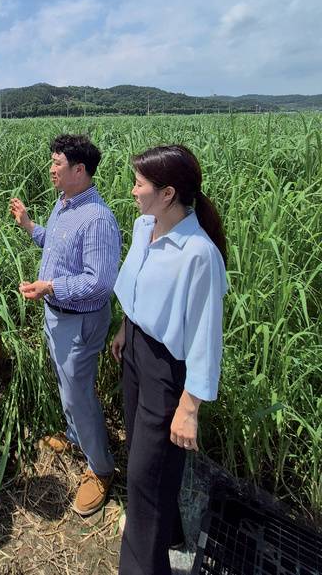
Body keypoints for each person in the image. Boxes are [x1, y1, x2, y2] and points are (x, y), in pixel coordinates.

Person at [111, 145, 227, 575]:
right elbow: (137, 283)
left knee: (144, 477)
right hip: (136, 349)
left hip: (166, 369)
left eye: (139, 184)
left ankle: (142, 565)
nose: (132, 190)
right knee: (147, 461)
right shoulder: (145, 225)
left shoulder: (198, 254)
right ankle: (169, 531)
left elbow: (204, 336)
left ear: (167, 193)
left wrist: (189, 406)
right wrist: (125, 327)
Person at [10, 134, 122, 516]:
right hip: (58, 315)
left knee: (78, 394)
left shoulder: (97, 218)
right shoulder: (65, 204)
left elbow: (100, 282)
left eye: (57, 163)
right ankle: (76, 436)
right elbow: (57, 247)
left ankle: (101, 469)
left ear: (79, 170)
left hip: (81, 321)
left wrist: (51, 287)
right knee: (66, 383)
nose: (51, 169)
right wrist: (29, 226)